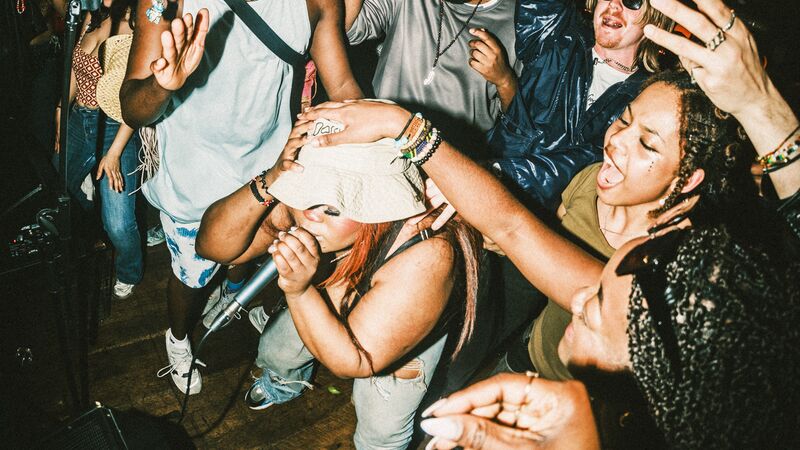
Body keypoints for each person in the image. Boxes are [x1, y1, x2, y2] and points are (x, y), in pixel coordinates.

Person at [298, 1, 800, 445]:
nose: (576, 292)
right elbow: (515, 226)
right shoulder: (600, 200)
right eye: (623, 121)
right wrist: (764, 109)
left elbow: (520, 215)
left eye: (599, 301)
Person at [120, 0, 364, 394]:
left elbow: (345, 88)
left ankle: (231, 300)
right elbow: (132, 107)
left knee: (242, 256)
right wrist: (161, 86)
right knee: (192, 274)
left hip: (267, 167)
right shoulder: (165, 3)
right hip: (192, 176)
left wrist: (389, 140)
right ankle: (179, 337)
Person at [195, 122, 482, 449]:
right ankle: (284, 383)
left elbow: (353, 361)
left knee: (380, 423)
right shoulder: (305, 205)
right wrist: (269, 180)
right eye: (308, 191)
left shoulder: (427, 254)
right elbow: (211, 247)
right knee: (276, 351)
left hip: (397, 326)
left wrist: (299, 291)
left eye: (334, 206)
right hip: (338, 288)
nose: (310, 216)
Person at [488, 0, 673, 210]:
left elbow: (585, 161)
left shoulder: (648, 97)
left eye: (632, 1)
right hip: (486, 173)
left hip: (544, 222)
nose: (613, 5)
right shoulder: (558, 36)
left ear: (657, 16)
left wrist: (492, 173)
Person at [344, 0, 519, 155]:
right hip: (381, 147)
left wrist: (504, 80)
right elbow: (345, 28)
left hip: (453, 166)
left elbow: (523, 126)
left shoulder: (521, 22)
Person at [55, 0, 143, 299]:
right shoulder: (92, 14)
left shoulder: (138, 24)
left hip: (118, 127)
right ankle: (89, 204)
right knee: (57, 189)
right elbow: (73, 67)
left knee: (118, 223)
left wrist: (115, 153)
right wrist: (60, 112)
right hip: (79, 120)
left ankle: (130, 271)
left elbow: (139, 101)